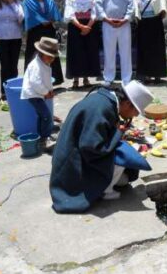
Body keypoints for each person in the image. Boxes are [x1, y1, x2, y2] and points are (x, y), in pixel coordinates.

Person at [50, 80, 154, 213]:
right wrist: (118, 133)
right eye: (136, 112)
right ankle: (105, 191)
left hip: (75, 156)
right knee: (124, 153)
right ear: (127, 104)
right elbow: (92, 148)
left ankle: (107, 182)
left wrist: (117, 132)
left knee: (123, 179)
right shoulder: (102, 109)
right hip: (73, 168)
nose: (135, 116)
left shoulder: (105, 100)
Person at [96, 0, 134, 86]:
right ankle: (108, 78)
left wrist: (125, 19)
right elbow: (98, 5)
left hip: (124, 24)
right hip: (108, 24)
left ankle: (127, 79)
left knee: (126, 52)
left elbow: (131, 6)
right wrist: (106, 19)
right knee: (109, 52)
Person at [23, 0, 64, 86]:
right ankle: (34, 82)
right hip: (35, 31)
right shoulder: (28, 0)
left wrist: (49, 20)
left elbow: (54, 14)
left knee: (51, 54)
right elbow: (32, 15)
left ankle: (54, 80)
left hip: (49, 30)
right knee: (34, 55)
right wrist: (43, 20)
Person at [133, 0, 167, 83]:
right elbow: (137, 10)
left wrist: (155, 19)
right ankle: (145, 74)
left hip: (155, 23)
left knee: (156, 49)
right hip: (143, 23)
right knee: (144, 49)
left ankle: (157, 74)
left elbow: (163, 10)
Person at [64, 0, 101, 89]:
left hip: (89, 28)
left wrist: (88, 26)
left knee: (87, 52)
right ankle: (75, 79)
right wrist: (81, 26)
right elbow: (70, 14)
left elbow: (95, 14)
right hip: (75, 27)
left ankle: (86, 78)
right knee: (76, 52)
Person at [21, 37, 59, 151]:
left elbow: (46, 79)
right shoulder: (35, 65)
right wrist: (46, 92)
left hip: (38, 94)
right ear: (43, 54)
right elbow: (35, 82)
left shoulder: (44, 63)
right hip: (33, 94)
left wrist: (50, 90)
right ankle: (44, 139)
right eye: (50, 57)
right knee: (46, 116)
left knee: (43, 116)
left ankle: (40, 136)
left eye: (53, 57)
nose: (52, 59)